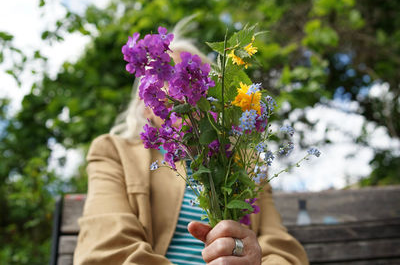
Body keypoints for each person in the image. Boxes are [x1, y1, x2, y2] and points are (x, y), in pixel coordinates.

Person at [74, 22, 309, 265]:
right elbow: (107, 251)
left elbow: (284, 252)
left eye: (195, 77)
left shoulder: (248, 164)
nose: (184, 87)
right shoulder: (114, 153)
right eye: (167, 76)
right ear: (146, 107)